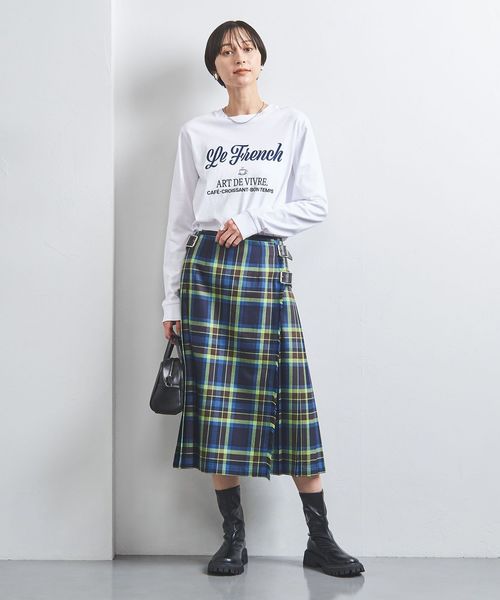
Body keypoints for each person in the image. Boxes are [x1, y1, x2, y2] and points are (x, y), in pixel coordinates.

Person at [161, 20, 365, 578]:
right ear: (215, 67)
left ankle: (320, 539)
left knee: (291, 401)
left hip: (262, 268)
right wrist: (170, 305)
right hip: (205, 274)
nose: (239, 57)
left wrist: (252, 220)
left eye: (247, 47)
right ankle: (233, 539)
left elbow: (315, 203)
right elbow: (179, 223)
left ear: (261, 58)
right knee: (215, 405)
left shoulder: (291, 124)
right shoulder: (196, 132)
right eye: (227, 51)